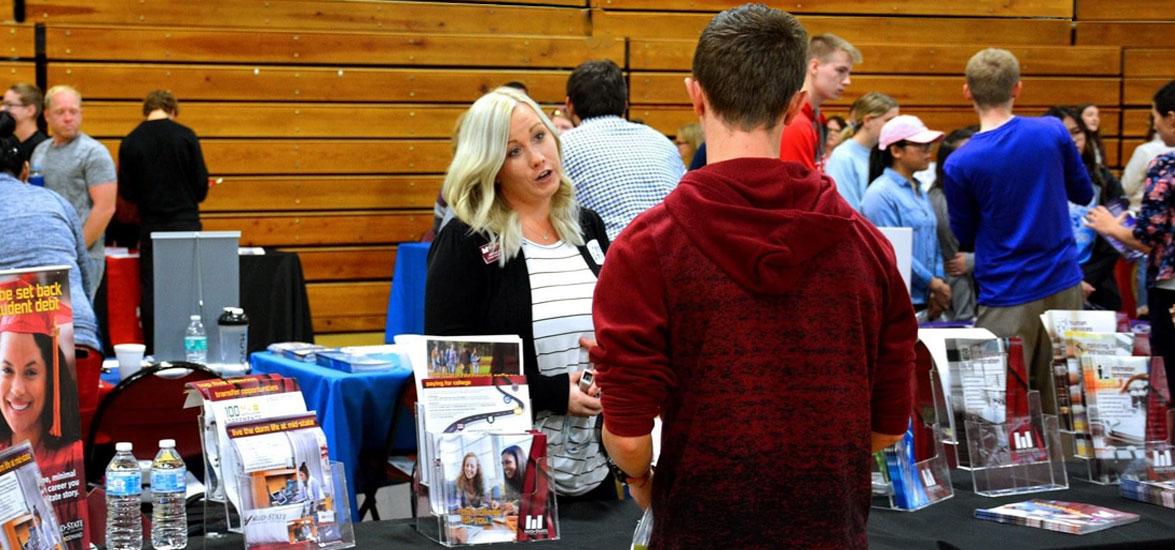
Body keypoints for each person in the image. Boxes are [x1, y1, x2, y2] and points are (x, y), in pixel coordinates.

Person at [590, 5, 916, 548]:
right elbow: (886, 427)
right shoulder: (868, 248)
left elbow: (627, 434)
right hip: (829, 528)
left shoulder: (645, 249)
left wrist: (643, 481)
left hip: (700, 523)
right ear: (795, 106)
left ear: (696, 95)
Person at [425, 87, 612, 498]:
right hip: (508, 486)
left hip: (594, 474)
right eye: (513, 151)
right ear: (490, 167)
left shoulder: (588, 227)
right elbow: (451, 372)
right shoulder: (465, 242)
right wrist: (553, 393)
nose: (538, 158)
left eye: (540, 136)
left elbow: (619, 322)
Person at [943, 49, 1093, 414]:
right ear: (1018, 88)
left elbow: (964, 233)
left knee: (995, 410)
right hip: (1063, 283)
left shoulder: (959, 162)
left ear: (967, 91)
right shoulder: (1053, 132)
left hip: (1007, 290)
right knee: (1066, 408)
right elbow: (1084, 192)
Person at [1087, 80, 1175, 401]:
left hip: (1170, 290)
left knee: (1170, 374)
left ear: (1172, 118)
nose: (1154, 126)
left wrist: (1111, 226)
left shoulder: (1166, 164)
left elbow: (1148, 237)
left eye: (1155, 118)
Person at [118, 90, 210, 352]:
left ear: (147, 110)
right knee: (190, 288)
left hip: (151, 226)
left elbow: (128, 193)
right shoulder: (186, 136)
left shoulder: (131, 141)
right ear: (173, 110)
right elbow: (201, 188)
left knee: (153, 290)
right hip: (186, 223)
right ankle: (193, 346)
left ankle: (156, 348)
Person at [560, 59, 684, 240]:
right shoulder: (662, 141)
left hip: (616, 256)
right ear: (625, 104)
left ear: (569, 105)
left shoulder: (562, 147)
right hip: (682, 251)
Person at [31, 85, 117, 299]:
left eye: (73, 111)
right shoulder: (40, 151)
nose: (68, 118)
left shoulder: (93, 152)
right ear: (47, 116)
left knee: (77, 322)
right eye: (61, 112)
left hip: (82, 256)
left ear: (81, 114)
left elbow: (105, 208)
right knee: (51, 326)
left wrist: (76, 250)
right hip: (48, 252)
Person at [862, 115, 950, 317]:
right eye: (921, 146)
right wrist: (933, 282)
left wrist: (938, 281)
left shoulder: (918, 189)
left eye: (930, 146)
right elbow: (891, 249)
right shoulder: (880, 193)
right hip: (900, 299)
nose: (929, 153)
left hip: (924, 297)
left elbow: (933, 240)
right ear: (896, 151)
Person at [1045, 106, 1124, 311]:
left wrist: (1084, 279)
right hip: (1046, 283)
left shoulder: (1106, 181)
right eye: (1063, 134)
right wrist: (1067, 281)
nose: (1072, 140)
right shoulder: (1035, 181)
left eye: (1076, 132)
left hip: (1096, 284)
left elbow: (1116, 239)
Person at [778, 33, 861, 172]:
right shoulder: (795, 122)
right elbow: (798, 189)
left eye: (848, 73)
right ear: (815, 67)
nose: (847, 81)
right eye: (840, 70)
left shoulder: (816, 116)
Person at [928, 127, 979, 321]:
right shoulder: (940, 200)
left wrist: (977, 260)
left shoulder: (983, 194)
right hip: (960, 307)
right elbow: (954, 264)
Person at [825, 92, 900, 211]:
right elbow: (847, 210)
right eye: (889, 121)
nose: (895, 127)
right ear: (868, 120)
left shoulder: (884, 153)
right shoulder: (843, 156)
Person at [2, 84, 47, 164]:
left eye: (10, 105)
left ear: (30, 110)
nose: (2, 109)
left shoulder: (42, 148)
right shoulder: (6, 143)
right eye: (3, 104)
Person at [499, 445, 526, 514]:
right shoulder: (510, 483)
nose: (504, 467)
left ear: (519, 461)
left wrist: (517, 509)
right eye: (503, 464)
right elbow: (509, 502)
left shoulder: (534, 481)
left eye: (508, 462)